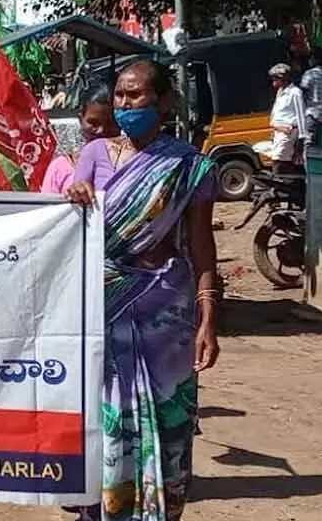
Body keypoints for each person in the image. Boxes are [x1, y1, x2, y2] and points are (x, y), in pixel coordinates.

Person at [66, 60, 220, 521]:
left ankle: (159, 510)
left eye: (136, 95)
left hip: (166, 308)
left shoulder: (190, 166)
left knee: (168, 414)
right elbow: (71, 224)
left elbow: (202, 246)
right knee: (105, 411)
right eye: (120, 95)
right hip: (103, 299)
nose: (126, 104)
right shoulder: (93, 154)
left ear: (163, 102)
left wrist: (208, 317)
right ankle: (103, 509)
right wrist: (74, 197)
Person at [41, 84, 117, 194]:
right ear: (81, 120)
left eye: (110, 124)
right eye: (93, 123)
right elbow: (47, 210)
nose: (101, 130)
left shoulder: (131, 166)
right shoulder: (60, 168)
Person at [266, 63, 307, 174]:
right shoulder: (280, 92)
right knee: (282, 160)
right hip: (278, 132)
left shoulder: (295, 93)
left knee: (278, 161)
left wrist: (301, 141)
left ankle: (279, 185)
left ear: (283, 79)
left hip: (288, 132)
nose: (273, 81)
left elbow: (301, 116)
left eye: (275, 78)